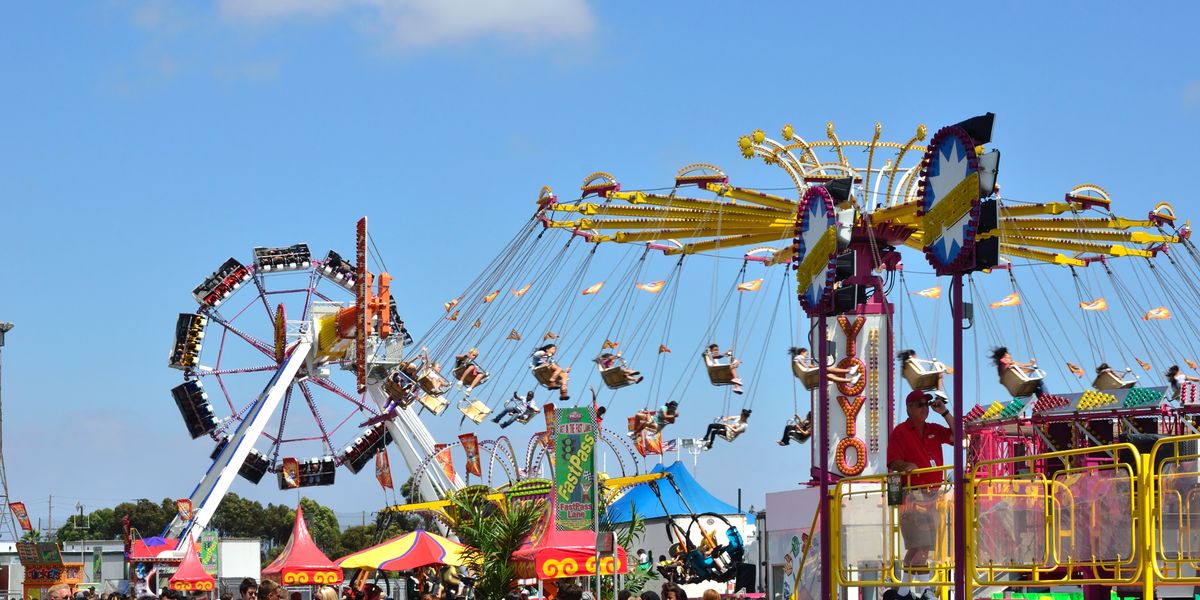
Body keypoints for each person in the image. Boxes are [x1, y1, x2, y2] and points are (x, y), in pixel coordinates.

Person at [883, 390, 955, 600]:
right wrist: (906, 465)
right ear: (909, 408)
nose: (925, 408)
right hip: (913, 495)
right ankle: (925, 590)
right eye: (920, 404)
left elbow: (960, 436)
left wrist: (944, 412)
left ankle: (904, 591)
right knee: (922, 546)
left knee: (919, 547)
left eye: (926, 404)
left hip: (934, 494)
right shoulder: (900, 432)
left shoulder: (934, 429)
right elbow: (893, 461)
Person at [789, 347, 861, 385]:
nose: (807, 356)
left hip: (811, 377)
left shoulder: (798, 363)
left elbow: (810, 366)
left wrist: (814, 367)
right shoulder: (799, 357)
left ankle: (850, 380)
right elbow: (805, 364)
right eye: (806, 354)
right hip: (809, 374)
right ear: (802, 352)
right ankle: (849, 371)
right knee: (827, 369)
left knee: (829, 376)